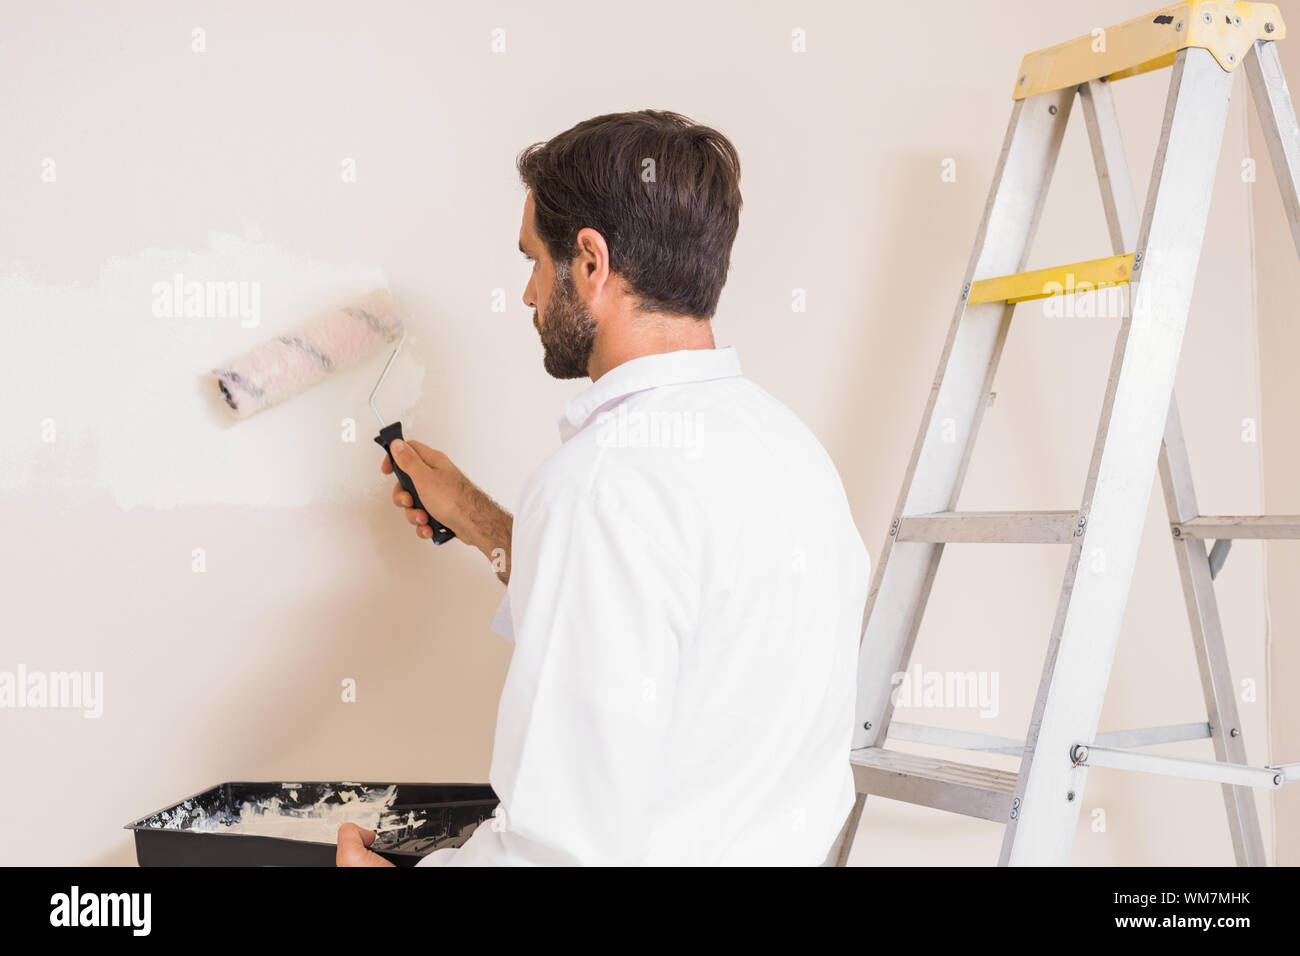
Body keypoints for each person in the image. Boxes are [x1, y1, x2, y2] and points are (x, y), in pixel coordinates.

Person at [337, 110, 869, 867]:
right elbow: (665, 631)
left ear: (590, 260)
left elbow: (558, 849)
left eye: (532, 261)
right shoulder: (792, 453)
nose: (526, 294)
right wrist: (484, 523)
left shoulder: (601, 485)